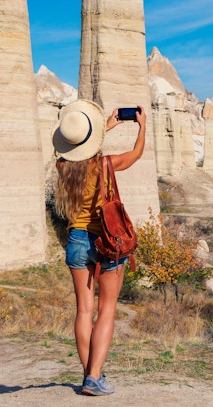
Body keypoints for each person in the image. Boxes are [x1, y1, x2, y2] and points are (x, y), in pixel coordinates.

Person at [52, 99, 146, 396]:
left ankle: (89, 375)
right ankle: (94, 377)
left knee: (83, 311)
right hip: (107, 241)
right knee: (106, 310)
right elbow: (135, 155)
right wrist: (141, 128)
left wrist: (104, 128)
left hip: (77, 240)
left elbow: (80, 152)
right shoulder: (106, 165)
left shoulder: (62, 166)